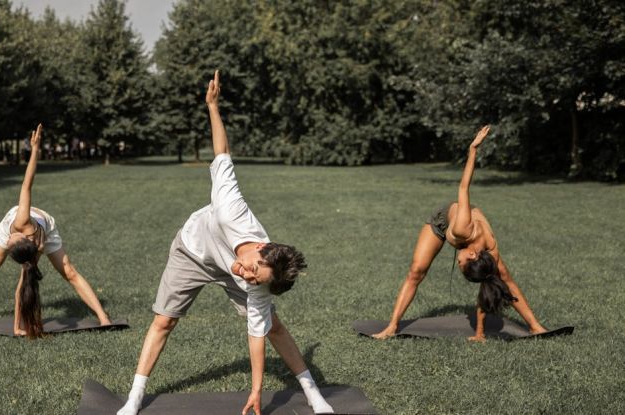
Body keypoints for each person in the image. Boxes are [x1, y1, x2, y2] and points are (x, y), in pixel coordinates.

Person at [116, 71, 334, 415]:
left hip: (221, 262)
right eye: (252, 272)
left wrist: (257, 390)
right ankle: (134, 398)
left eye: (255, 282)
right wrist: (213, 107)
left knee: (273, 325)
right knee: (164, 320)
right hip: (192, 250)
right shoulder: (232, 208)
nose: (248, 278)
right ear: (261, 249)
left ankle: (313, 393)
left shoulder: (260, 281)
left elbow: (257, 336)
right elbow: (222, 154)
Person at [372, 125, 548, 342]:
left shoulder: (490, 251)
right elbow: (464, 187)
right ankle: (392, 326)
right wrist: (473, 149)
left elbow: (488, 285)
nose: (458, 262)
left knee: (503, 276)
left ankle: (535, 326)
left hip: (468, 238)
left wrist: (480, 333)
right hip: (444, 221)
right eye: (461, 263)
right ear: (472, 255)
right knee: (416, 271)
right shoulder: (463, 226)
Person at [0, 124, 111, 338]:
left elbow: (27, 184)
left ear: (18, 239)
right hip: (24, 230)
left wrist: (35, 150)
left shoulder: (24, 224)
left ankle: (103, 318)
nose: (6, 242)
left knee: (70, 273)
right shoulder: (18, 225)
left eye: (7, 243)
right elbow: (27, 184)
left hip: (46, 228)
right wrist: (17, 329)